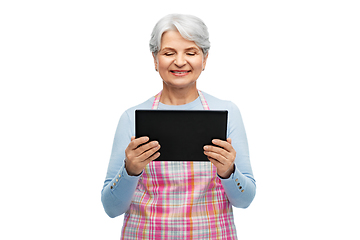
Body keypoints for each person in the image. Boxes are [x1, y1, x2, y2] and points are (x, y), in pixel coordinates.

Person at [101, 13, 256, 239]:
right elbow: (111, 208)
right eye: (169, 53)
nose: (180, 61)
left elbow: (245, 200)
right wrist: (130, 170)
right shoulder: (131, 118)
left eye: (191, 52)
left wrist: (228, 171)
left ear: (204, 59)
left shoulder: (227, 113)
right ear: (155, 59)